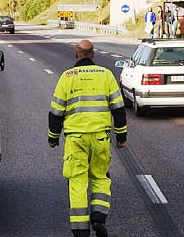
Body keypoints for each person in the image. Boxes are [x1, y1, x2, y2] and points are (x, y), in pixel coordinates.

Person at [48, 40, 127, 237]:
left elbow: (56, 112)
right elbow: (118, 109)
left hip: (76, 139)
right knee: (100, 178)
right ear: (93, 55)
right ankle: (99, 218)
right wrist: (121, 136)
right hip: (100, 138)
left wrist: (53, 137)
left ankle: (81, 231)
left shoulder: (67, 77)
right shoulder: (106, 75)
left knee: (77, 182)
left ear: (77, 54)